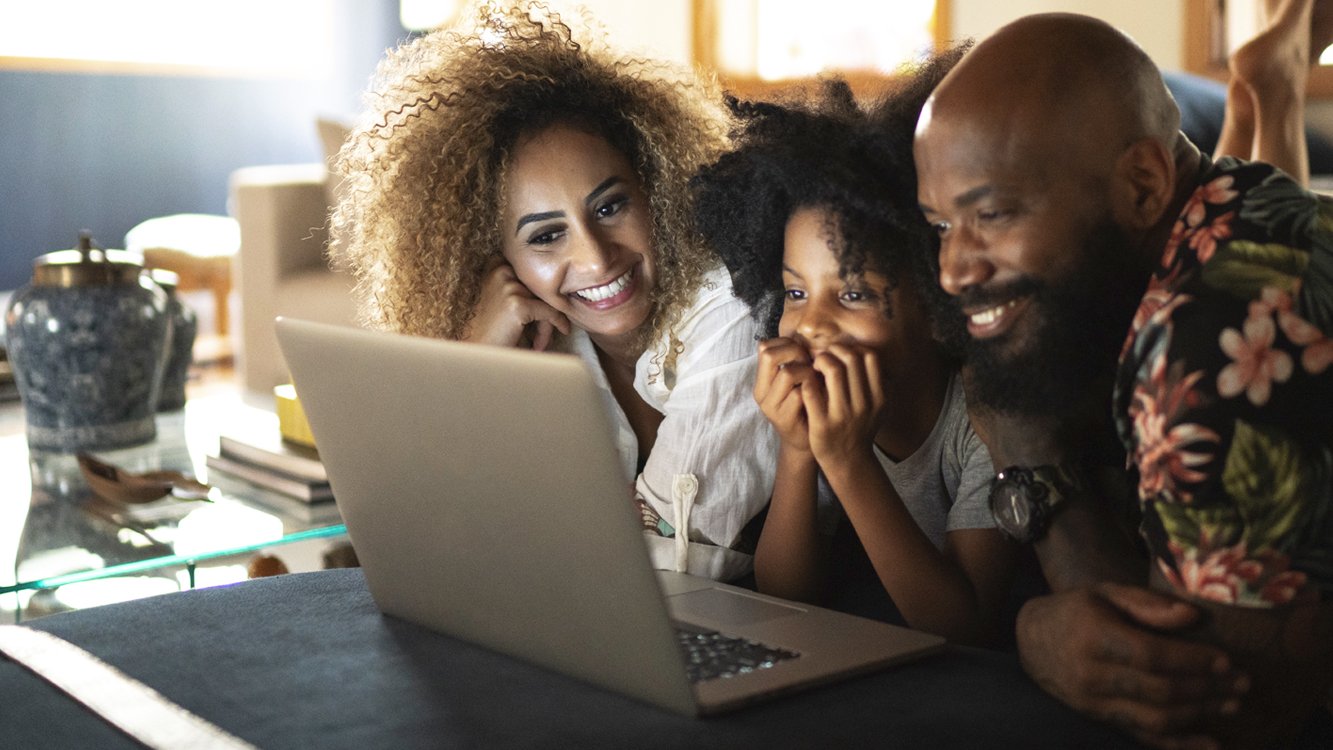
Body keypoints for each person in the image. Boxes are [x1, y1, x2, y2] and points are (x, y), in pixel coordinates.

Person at [913, 7, 1333, 749]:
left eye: (994, 214)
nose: (953, 270)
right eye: (941, 224)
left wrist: (1029, 469)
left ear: (1143, 183)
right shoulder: (1242, 203)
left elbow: (1215, 716)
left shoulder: (1215, 344)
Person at [329, 1, 776, 582]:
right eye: (545, 235)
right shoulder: (537, 340)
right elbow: (410, 537)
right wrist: (472, 360)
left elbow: (676, 571)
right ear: (495, 258)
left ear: (656, 190)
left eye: (611, 206)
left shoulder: (729, 307)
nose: (594, 256)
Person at [691, 58, 1017, 647]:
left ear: (937, 302)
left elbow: (965, 625)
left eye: (854, 293)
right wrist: (798, 450)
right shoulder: (819, 405)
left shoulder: (983, 419)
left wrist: (845, 459)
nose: (812, 323)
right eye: (795, 291)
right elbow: (787, 599)